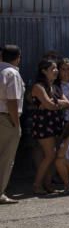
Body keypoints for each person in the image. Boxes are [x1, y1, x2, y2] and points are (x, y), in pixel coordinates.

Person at [32, 59, 69, 195]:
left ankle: (48, 184)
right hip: (43, 124)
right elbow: (49, 105)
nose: (56, 71)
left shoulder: (55, 86)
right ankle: (37, 185)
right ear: (44, 71)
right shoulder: (38, 86)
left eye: (56, 68)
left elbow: (67, 103)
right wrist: (53, 103)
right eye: (52, 69)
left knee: (53, 156)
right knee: (50, 155)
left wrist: (53, 102)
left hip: (55, 122)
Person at [0, 45, 26, 204]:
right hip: (6, 119)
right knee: (6, 157)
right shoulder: (12, 73)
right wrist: (16, 124)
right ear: (18, 57)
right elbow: (12, 101)